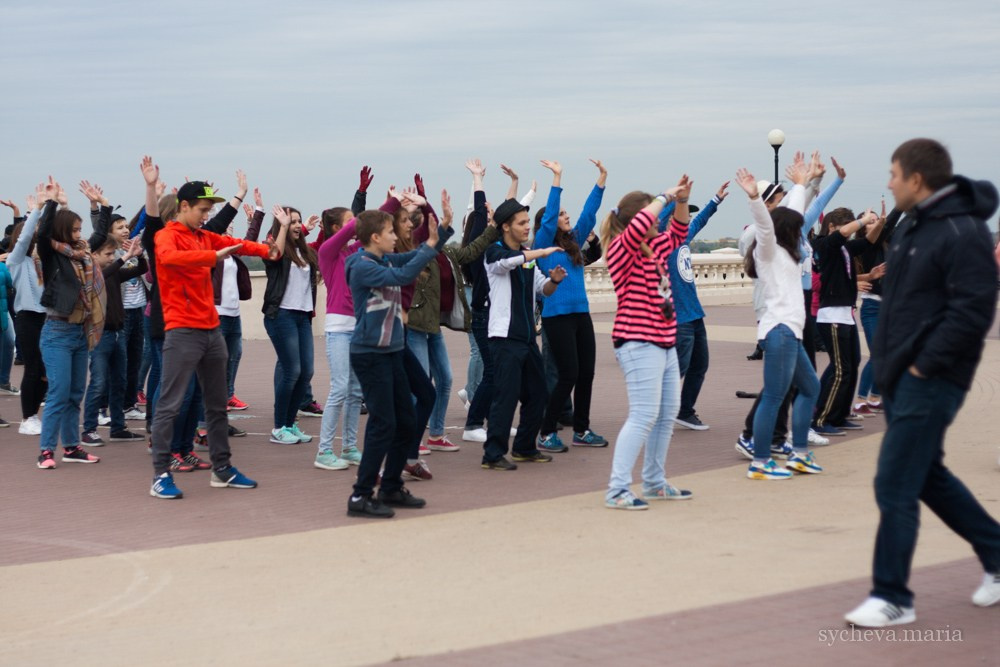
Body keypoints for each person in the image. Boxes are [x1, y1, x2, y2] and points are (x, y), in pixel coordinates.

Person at [845, 138, 1000, 627]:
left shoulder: (963, 230)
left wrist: (923, 366)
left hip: (932, 378)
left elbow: (973, 310)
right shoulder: (915, 223)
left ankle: (892, 596)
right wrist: (895, 367)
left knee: (894, 480)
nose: (889, 184)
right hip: (901, 375)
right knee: (925, 475)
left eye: (893, 175)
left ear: (916, 179)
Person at [145, 157, 279, 499]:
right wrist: (212, 258)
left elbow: (240, 246)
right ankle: (160, 475)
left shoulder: (203, 236)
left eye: (208, 210)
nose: (206, 215)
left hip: (211, 331)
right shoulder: (166, 237)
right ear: (183, 206)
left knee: (217, 406)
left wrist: (268, 250)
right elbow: (170, 259)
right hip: (181, 332)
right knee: (170, 405)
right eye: (202, 209)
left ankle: (223, 469)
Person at [344, 200, 449, 518]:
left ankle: (390, 487)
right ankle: (361, 495)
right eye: (391, 231)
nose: (396, 236)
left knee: (405, 420)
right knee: (384, 423)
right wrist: (429, 246)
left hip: (391, 350)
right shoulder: (363, 265)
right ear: (375, 237)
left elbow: (413, 257)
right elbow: (405, 274)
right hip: (370, 354)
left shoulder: (384, 258)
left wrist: (440, 233)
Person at [602, 178, 693, 509]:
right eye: (654, 215)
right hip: (638, 340)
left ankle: (654, 482)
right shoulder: (621, 249)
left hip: (663, 340)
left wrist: (681, 200)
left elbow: (680, 232)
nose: (658, 220)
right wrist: (664, 196)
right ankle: (617, 490)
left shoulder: (653, 249)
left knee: (666, 414)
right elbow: (641, 224)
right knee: (643, 415)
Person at [735, 165, 822, 481]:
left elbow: (792, 214)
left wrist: (801, 184)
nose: (802, 235)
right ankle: (760, 461)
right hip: (780, 332)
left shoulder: (786, 251)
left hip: (790, 333)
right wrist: (755, 199)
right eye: (799, 231)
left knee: (810, 388)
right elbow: (765, 225)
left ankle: (799, 454)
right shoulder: (769, 251)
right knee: (774, 396)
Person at [480, 198, 565, 470]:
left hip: (527, 338)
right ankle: (492, 455)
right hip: (504, 338)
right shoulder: (494, 252)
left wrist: (554, 281)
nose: (527, 227)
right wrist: (539, 253)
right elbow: (507, 262)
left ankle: (525, 447)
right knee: (505, 397)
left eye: (528, 222)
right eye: (522, 223)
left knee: (538, 393)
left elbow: (543, 288)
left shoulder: (527, 257)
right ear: (506, 227)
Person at [533, 158, 608, 452]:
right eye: (562, 214)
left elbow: (590, 212)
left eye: (566, 213)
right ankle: (546, 431)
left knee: (587, 373)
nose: (566, 216)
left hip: (581, 315)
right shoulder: (543, 245)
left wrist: (601, 179)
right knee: (568, 375)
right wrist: (557, 178)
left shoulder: (574, 243)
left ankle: (581, 430)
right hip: (557, 318)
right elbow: (550, 215)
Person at [35, 177, 107, 469]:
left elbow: (101, 235)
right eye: (74, 230)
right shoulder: (52, 255)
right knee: (59, 393)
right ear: (63, 230)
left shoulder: (83, 254)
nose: (79, 234)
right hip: (57, 332)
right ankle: (46, 451)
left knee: (75, 394)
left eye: (80, 229)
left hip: (80, 332)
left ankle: (72, 447)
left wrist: (99, 205)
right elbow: (42, 235)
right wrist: (52, 202)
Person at [79, 182, 147, 445]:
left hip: (118, 332)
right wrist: (123, 257)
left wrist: (138, 255)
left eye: (112, 254)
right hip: (101, 335)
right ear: (94, 255)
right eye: (107, 254)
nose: (111, 257)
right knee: (98, 383)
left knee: (119, 381)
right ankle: (89, 428)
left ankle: (118, 427)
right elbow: (106, 271)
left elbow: (139, 271)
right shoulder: (92, 273)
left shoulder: (115, 272)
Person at [809, 206, 884, 436]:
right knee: (840, 369)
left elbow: (869, 241)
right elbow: (843, 234)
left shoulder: (844, 248)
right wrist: (864, 220)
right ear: (832, 226)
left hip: (845, 314)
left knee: (851, 365)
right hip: (831, 315)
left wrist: (880, 222)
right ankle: (820, 419)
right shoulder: (824, 245)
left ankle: (839, 415)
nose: (849, 232)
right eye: (845, 226)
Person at [662, 181, 729, 431]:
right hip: (678, 317)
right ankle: (657, 412)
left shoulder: (684, 237)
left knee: (700, 365)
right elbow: (657, 220)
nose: (688, 217)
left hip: (694, 314)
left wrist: (716, 200)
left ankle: (685, 411)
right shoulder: (662, 242)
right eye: (683, 212)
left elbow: (700, 221)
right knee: (677, 369)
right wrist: (670, 198)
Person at [259, 205, 315, 446]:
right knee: (292, 370)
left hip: (303, 316)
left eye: (298, 221)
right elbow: (275, 255)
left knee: (306, 371)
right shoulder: (276, 249)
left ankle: (290, 424)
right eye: (292, 221)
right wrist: (282, 227)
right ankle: (279, 427)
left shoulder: (305, 252)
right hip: (281, 315)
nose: (297, 225)